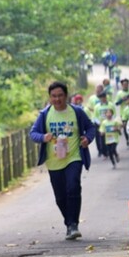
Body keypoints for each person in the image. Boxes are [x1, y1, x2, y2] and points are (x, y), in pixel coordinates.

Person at [29, 81, 96, 240]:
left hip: (74, 157)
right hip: (54, 161)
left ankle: (74, 225)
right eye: (54, 96)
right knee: (60, 196)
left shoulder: (77, 112)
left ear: (66, 96)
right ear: (50, 98)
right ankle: (68, 223)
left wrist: (87, 138)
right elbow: (33, 133)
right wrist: (43, 137)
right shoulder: (45, 114)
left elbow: (91, 128)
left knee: (73, 187)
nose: (57, 99)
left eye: (60, 95)